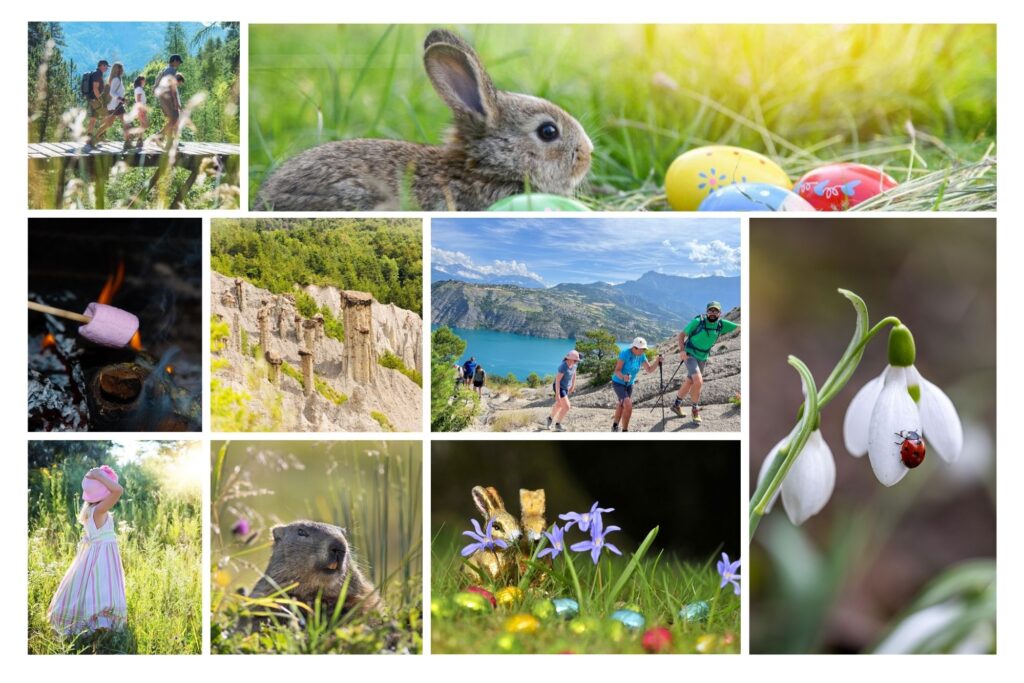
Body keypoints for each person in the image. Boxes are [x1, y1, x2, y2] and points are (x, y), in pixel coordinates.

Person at [47, 465, 127, 635]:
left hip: (94, 554)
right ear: (104, 492)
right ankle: (100, 621)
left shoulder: (91, 510)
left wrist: (98, 477)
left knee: (89, 587)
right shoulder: (99, 511)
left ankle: (98, 621)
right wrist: (99, 475)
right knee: (102, 587)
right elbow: (118, 490)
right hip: (102, 557)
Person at [671, 301, 740, 424]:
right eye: (710, 310)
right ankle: (695, 409)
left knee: (690, 381)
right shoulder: (698, 322)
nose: (713, 313)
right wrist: (682, 351)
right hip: (690, 354)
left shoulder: (722, 324)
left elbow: (740, 326)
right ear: (707, 311)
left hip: (703, 357)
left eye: (715, 311)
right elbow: (681, 335)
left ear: (720, 313)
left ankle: (676, 405)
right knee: (698, 381)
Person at [611, 337, 662, 432]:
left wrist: (657, 361)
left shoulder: (641, 356)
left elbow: (649, 369)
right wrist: (623, 377)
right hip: (618, 382)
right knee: (628, 404)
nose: (643, 350)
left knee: (622, 404)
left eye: (644, 349)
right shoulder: (624, 353)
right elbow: (616, 371)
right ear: (634, 348)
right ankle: (625, 431)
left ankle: (615, 425)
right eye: (641, 349)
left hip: (630, 384)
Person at [95, 62, 131, 149]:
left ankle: (95, 137)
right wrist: (122, 99)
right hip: (116, 105)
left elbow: (116, 92)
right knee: (126, 123)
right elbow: (112, 92)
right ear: (117, 69)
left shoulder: (117, 79)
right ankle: (127, 143)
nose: (122, 70)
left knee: (109, 124)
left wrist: (122, 98)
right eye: (121, 68)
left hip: (114, 105)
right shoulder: (116, 79)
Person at [547, 349, 580, 432]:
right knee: (567, 406)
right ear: (569, 359)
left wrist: (573, 385)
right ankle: (558, 424)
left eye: (577, 360)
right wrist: (557, 394)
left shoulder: (574, 365)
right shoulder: (563, 366)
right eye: (575, 360)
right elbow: (557, 380)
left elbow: (574, 374)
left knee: (559, 405)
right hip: (559, 386)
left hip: (566, 387)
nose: (576, 361)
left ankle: (549, 418)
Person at [154, 54, 183, 143]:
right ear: (174, 60)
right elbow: (171, 86)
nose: (179, 64)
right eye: (178, 62)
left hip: (163, 97)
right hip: (168, 97)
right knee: (175, 118)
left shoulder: (166, 69)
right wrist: (175, 100)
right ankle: (160, 135)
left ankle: (170, 139)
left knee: (173, 118)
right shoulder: (171, 70)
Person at [83, 60, 109, 147]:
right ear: (101, 65)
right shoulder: (97, 74)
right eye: (105, 66)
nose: (107, 68)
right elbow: (95, 88)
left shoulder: (97, 73)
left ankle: (90, 138)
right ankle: (98, 137)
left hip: (93, 99)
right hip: (95, 100)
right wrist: (101, 99)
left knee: (93, 119)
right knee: (105, 116)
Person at [132, 75, 148, 144]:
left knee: (143, 124)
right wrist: (141, 110)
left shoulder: (139, 88)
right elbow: (138, 100)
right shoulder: (139, 89)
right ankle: (137, 137)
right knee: (145, 124)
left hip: (141, 108)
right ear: (141, 81)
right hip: (140, 108)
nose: (145, 82)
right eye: (144, 80)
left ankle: (139, 139)